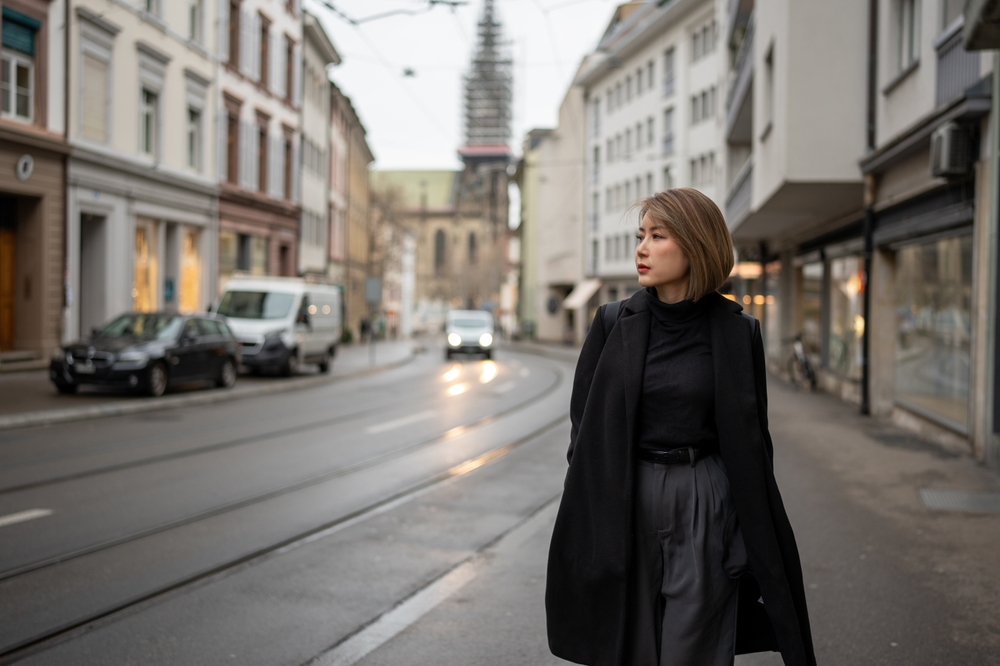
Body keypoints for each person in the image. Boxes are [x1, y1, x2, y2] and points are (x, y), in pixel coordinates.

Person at [545, 188, 816, 666]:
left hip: (702, 499)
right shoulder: (612, 322)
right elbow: (582, 431)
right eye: (640, 236)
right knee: (633, 645)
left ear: (696, 244)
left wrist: (739, 529)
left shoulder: (738, 332)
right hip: (629, 495)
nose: (642, 249)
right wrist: (593, 511)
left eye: (658, 236)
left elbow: (753, 442)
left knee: (696, 645)